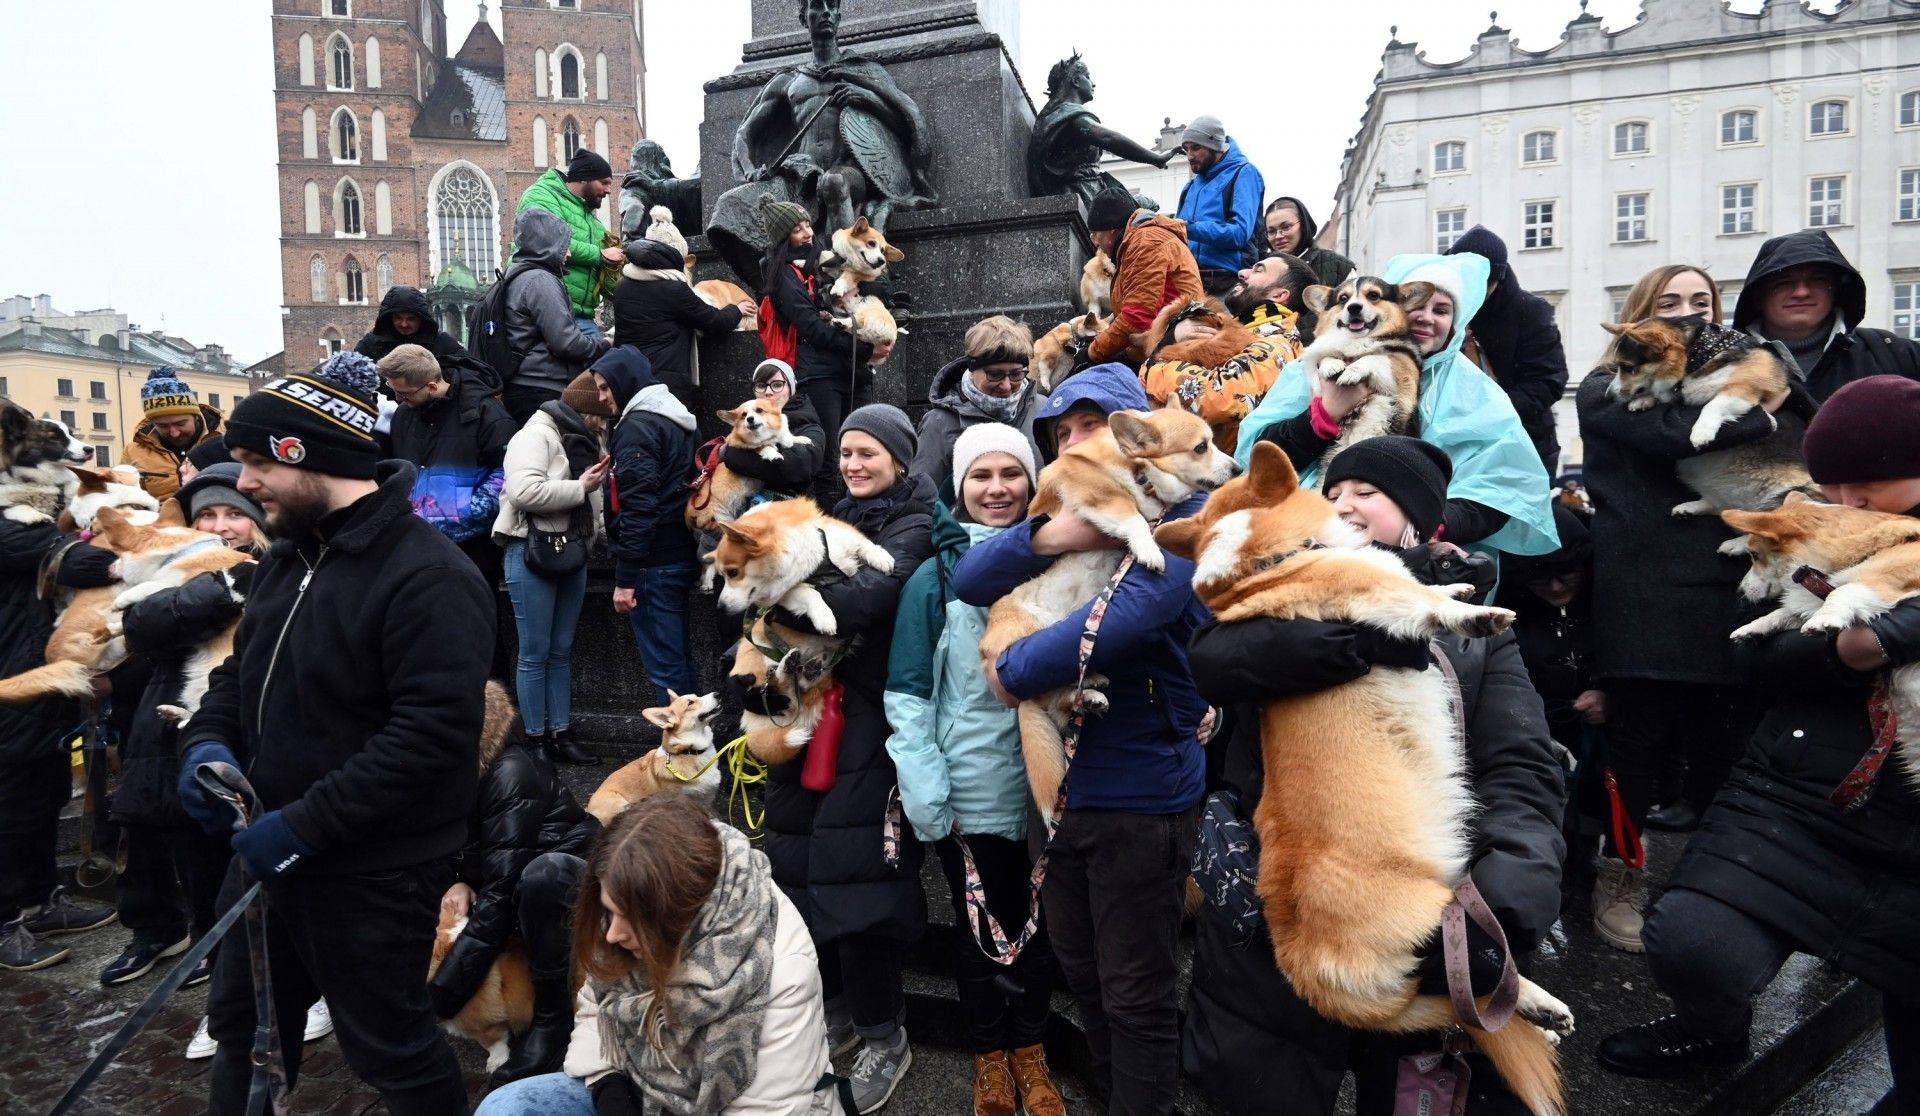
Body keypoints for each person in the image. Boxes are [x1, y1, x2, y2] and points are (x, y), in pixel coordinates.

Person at [1181, 436, 1565, 1116]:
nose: (1343, 505)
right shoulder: (1264, 600)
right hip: (1273, 909)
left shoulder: (1481, 632)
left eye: (1367, 493)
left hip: (1417, 900)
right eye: (1330, 493)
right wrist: (1359, 632)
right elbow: (1225, 655)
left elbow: (1522, 768)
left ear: (1422, 521)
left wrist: (1503, 906)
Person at [174, 354, 492, 1114]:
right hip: (267, 854)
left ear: (306, 455)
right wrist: (207, 745)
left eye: (255, 464)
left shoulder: (430, 577)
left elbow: (430, 738)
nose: (240, 485)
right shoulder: (288, 560)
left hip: (373, 872)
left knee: (393, 1048)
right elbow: (236, 679)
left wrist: (304, 828)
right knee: (244, 1030)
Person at [1598, 377, 1920, 1116]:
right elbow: (1753, 655)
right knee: (1690, 939)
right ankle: (1713, 1026)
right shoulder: (1811, 519)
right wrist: (1855, 648)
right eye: (1833, 478)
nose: (1849, 496)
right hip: (1801, 797)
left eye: (1869, 478)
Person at [951, 363, 1208, 1116]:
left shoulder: (1179, 528)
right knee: (1085, 977)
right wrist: (1059, 528)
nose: (1074, 447)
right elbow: (971, 574)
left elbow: (1105, 633)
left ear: (1139, 437)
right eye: (1060, 436)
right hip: (1068, 797)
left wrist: (1012, 674)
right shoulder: (1076, 527)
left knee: (1136, 995)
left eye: (1090, 429)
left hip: (1141, 797)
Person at [1574, 264, 1809, 952]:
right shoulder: (1604, 387)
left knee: (1717, 748)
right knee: (1637, 749)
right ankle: (1619, 879)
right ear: (1643, 314)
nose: (1689, 315)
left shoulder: (1725, 375)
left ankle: (1711, 894)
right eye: (1672, 303)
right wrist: (1760, 410)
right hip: (1642, 589)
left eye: (1702, 304)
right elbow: (1678, 435)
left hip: (1722, 583)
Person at [751, 404, 934, 1114]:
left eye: (870, 454)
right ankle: (829, 1005)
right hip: (815, 713)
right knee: (795, 859)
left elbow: (864, 599)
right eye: (848, 453)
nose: (855, 465)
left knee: (862, 879)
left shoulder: (914, 521)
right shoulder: (831, 518)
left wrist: (790, 600)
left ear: (899, 458)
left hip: (875, 720)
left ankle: (885, 1030)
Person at [883, 423, 1065, 1116]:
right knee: (978, 931)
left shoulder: (1062, 563)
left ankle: (1033, 1051)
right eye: (981, 476)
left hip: (1047, 792)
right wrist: (925, 786)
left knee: (1038, 929)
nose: (997, 489)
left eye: (1010, 474)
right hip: (972, 791)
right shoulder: (937, 577)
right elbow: (907, 693)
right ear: (960, 486)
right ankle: (992, 1055)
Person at [475, 794, 836, 1116]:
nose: (612, 933)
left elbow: (769, 1107)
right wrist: (607, 1084)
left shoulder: (779, 968)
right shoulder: (629, 898)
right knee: (505, 1108)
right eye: (608, 913)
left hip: (735, 1106)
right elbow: (596, 1004)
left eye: (624, 920)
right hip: (639, 1082)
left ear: (676, 915)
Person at [1237, 250, 1558, 558]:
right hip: (1308, 540)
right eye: (1415, 305)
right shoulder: (1319, 362)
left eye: (1442, 310)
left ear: (1456, 325)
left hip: (1418, 563)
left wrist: (1433, 523)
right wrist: (1323, 415)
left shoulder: (1476, 394)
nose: (1426, 318)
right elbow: (1261, 457)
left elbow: (1500, 488)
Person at [0, 426, 121, 970]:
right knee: (8, 805)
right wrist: (136, 558)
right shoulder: (13, 529)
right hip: (9, 681)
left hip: (38, 674)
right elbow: (67, 560)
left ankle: (40, 901)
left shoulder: (29, 521)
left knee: (44, 794)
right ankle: (5, 926)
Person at [429, 716, 597, 1085]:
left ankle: (553, 1022)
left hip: (567, 885)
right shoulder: (450, 771)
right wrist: (457, 881)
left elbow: (503, 892)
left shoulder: (510, 772)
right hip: (509, 881)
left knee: (542, 879)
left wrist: (439, 999)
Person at [1494, 502, 1604, 907]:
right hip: (1537, 728)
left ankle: (1586, 862)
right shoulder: (1512, 610)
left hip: (1596, 735)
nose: (1556, 587)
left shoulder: (1606, 605)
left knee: (1593, 802)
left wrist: (1609, 691)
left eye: (1567, 575)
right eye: (1542, 581)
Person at [493, 387, 610, 767]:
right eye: (601, 413)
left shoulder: (582, 438)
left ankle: (560, 734)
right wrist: (581, 487)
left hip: (572, 550)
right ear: (584, 411)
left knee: (560, 651)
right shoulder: (534, 435)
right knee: (534, 652)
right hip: (530, 551)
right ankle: (534, 738)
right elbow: (523, 491)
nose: (606, 420)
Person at [594, 347, 700, 703]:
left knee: (666, 673)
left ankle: (683, 755)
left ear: (626, 382)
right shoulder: (674, 417)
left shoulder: (637, 428)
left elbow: (638, 508)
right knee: (678, 664)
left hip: (652, 564)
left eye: (606, 387)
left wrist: (625, 580)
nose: (601, 397)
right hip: (677, 552)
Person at [757, 197, 893, 464]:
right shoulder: (784, 277)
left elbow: (880, 284)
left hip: (854, 371)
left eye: (808, 225)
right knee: (832, 457)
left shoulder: (826, 260)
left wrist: (861, 287)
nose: (808, 233)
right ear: (784, 238)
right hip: (820, 376)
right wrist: (866, 349)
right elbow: (813, 328)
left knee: (865, 450)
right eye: (797, 230)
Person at [1140, 252, 1316, 455]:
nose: (1242, 273)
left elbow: (1218, 397)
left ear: (1279, 295)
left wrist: (1154, 365)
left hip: (1226, 475)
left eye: (1258, 270)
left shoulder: (1278, 344)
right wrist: (1171, 338)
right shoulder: (1247, 329)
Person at [378, 344, 515, 593]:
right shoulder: (403, 416)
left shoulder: (488, 414)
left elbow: (505, 477)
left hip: (473, 550)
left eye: (404, 393)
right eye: (394, 391)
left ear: (431, 386)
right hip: (415, 544)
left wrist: (450, 521)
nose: (398, 399)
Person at [1734, 228, 1920, 401]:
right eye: (1783, 283)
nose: (1801, 292)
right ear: (1758, 296)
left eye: (1818, 280)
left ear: (1836, 291)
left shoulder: (1891, 352)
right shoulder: (1727, 362)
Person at [1443, 225, 1571, 474]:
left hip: (1521, 445)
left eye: (1480, 284)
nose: (1470, 291)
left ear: (1495, 282)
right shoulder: (1442, 304)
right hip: (1454, 445)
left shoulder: (1529, 312)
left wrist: (1484, 415)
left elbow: (1548, 382)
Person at [502, 207, 616, 425]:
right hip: (542, 386)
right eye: (564, 246)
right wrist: (603, 345)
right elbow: (566, 341)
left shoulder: (517, 275)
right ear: (548, 244)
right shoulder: (540, 280)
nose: (569, 253)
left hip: (523, 385)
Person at [611, 232, 751, 408]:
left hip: (630, 375)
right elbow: (715, 321)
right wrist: (736, 309)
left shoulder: (622, 287)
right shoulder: (673, 289)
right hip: (665, 381)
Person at [912, 315, 1041, 503]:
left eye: (1016, 374)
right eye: (995, 375)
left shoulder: (1043, 408)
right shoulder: (939, 423)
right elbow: (922, 502)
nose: (1006, 386)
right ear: (972, 369)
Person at [1084, 189, 1203, 367]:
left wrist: (1091, 353)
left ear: (1111, 230)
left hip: (1171, 349)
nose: (1095, 242)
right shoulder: (1137, 241)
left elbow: (1137, 318)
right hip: (1162, 341)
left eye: (1096, 233)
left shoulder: (1145, 242)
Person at [515, 147, 624, 335]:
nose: (608, 190)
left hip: (583, 318)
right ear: (584, 178)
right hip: (545, 310)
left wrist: (617, 267)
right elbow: (546, 240)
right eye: (604, 182)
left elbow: (608, 286)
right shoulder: (541, 195)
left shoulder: (594, 223)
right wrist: (600, 255)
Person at [1173, 116, 1265, 296]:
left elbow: (1239, 233)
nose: (1189, 156)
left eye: (1196, 147)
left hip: (1230, 283)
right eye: (1186, 149)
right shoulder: (1190, 186)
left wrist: (1185, 227)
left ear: (1215, 146)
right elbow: (1178, 238)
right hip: (1190, 283)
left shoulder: (1244, 172)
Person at [716, 359, 828, 506]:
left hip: (789, 510)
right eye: (761, 385)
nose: (768, 392)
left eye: (777, 385)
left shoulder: (809, 426)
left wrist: (730, 455)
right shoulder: (748, 420)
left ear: (791, 388)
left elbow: (795, 466)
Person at [355, 284, 502, 391]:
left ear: (421, 319)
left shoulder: (441, 342)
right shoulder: (372, 343)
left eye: (411, 319)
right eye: (398, 318)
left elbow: (475, 371)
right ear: (389, 318)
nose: (404, 324)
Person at [122, 367, 226, 501]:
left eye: (181, 424)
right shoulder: (133, 452)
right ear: (152, 422)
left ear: (196, 415)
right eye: (163, 426)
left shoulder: (226, 441)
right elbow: (122, 499)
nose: (174, 433)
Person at [1262, 197, 1354, 288]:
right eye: (1271, 231)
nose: (1278, 236)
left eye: (1286, 227)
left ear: (1304, 225)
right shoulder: (1259, 269)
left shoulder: (1338, 266)